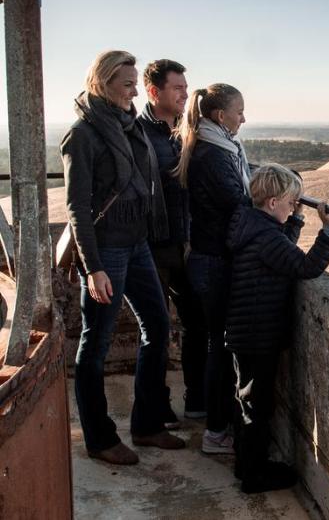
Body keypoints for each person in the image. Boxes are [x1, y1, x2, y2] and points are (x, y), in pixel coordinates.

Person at [61, 50, 185, 466]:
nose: (136, 91)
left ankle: (147, 425)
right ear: (103, 82)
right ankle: (99, 438)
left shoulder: (130, 126)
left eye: (136, 82)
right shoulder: (83, 135)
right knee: (95, 344)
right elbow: (77, 207)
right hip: (107, 250)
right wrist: (93, 267)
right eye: (128, 83)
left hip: (137, 244)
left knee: (159, 323)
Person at [225, 163, 329, 493]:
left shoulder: (252, 225)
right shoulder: (266, 237)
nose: (293, 207)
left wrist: (297, 218)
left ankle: (245, 465)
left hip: (245, 331)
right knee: (257, 407)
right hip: (258, 334)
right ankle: (254, 476)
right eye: (291, 203)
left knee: (246, 399)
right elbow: (305, 266)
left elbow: (280, 248)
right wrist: (328, 231)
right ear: (273, 203)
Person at [175, 83, 251, 454]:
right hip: (215, 264)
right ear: (221, 116)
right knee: (222, 348)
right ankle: (216, 433)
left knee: (216, 344)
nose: (244, 118)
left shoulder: (212, 147)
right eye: (239, 111)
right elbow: (239, 204)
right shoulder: (215, 155)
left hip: (207, 260)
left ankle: (212, 422)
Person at [139, 59, 207, 425]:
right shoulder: (137, 132)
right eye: (177, 88)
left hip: (188, 244)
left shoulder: (187, 130)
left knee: (198, 323)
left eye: (185, 86)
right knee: (156, 329)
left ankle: (196, 399)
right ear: (155, 92)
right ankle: (157, 407)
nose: (185, 93)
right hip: (153, 247)